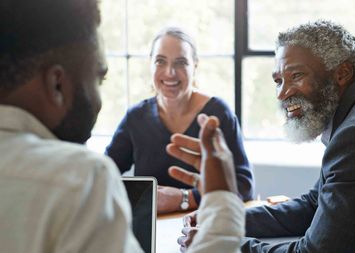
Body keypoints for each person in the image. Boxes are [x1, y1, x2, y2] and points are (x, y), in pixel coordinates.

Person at [173, 20, 355, 252]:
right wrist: (224, 219)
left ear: (342, 73)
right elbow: (312, 206)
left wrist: (224, 244)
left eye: (296, 76)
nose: (282, 93)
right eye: (279, 80)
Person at [0, 0, 143, 252]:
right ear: (57, 85)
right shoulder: (82, 180)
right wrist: (220, 203)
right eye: (99, 79)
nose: (99, 100)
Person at [105, 27, 254, 214]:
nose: (170, 73)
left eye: (181, 62)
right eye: (160, 61)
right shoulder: (135, 118)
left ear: (195, 66)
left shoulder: (218, 114)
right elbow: (104, 175)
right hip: (153, 230)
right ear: (150, 64)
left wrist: (185, 199)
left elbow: (244, 186)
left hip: (201, 227)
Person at [167, 113, 245, 253]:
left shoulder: (221, 112)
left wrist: (213, 233)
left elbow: (244, 184)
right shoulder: (135, 116)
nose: (281, 94)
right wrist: (217, 216)